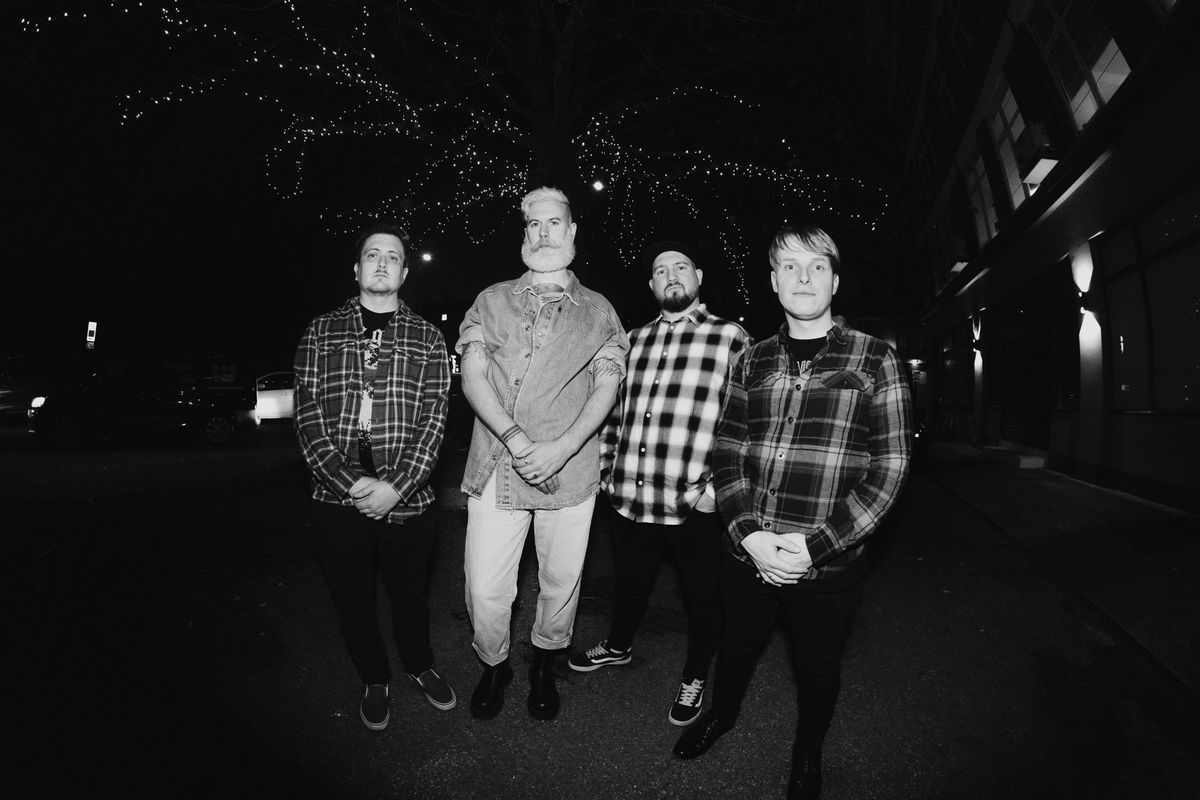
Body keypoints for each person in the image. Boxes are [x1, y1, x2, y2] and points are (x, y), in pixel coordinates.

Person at [673, 224, 912, 800]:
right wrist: (748, 535)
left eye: (817, 266)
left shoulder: (876, 357)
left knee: (817, 667)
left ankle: (807, 752)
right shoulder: (751, 358)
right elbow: (727, 450)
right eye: (790, 267)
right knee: (737, 647)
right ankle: (721, 715)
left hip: (827, 564)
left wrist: (814, 547)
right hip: (747, 554)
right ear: (774, 282)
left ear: (835, 280)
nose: (804, 278)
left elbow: (891, 467)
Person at [457, 186, 629, 721]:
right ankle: (494, 664)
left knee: (560, 584)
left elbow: (608, 384)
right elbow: (473, 374)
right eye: (533, 224)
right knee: (486, 587)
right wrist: (516, 439)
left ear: (572, 231)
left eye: (554, 222)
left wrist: (562, 447)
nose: (543, 233)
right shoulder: (490, 300)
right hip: (496, 463)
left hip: (570, 471)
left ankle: (543, 663)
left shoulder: (599, 311)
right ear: (524, 233)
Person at [569, 240, 750, 727]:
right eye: (661, 270)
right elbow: (612, 412)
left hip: (692, 499)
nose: (671, 275)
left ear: (698, 277)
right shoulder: (633, 340)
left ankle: (696, 674)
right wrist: (606, 473)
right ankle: (619, 645)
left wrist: (715, 492)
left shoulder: (730, 337)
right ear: (651, 284)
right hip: (630, 494)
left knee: (702, 596)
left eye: (681, 267)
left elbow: (743, 422)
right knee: (630, 581)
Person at [294, 222, 455, 731]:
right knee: (353, 600)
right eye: (372, 254)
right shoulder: (320, 331)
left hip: (408, 499)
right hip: (335, 500)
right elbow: (308, 417)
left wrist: (396, 487)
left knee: (410, 596)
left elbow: (434, 421)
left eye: (393, 257)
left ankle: (419, 665)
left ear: (404, 273)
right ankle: (374, 677)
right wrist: (348, 484)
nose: (382, 263)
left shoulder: (428, 337)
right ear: (357, 268)